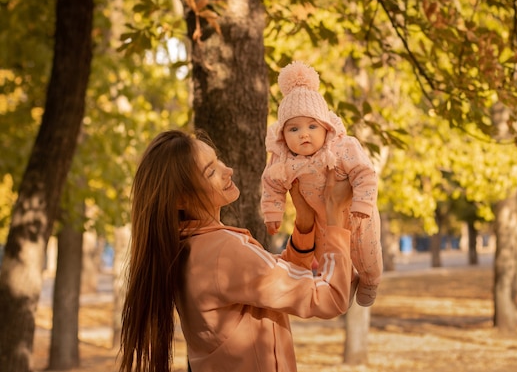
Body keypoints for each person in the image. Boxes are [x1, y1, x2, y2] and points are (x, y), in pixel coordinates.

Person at [118, 129, 356, 372]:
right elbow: (330, 298)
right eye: (210, 171)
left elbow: (285, 282)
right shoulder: (224, 252)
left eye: (217, 159)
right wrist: (335, 213)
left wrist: (304, 224)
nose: (227, 170)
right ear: (181, 200)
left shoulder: (192, 248)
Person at [261, 61, 383, 307]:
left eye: (312, 126)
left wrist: (362, 201)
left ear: (326, 127)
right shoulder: (283, 159)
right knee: (327, 255)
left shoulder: (342, 147)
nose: (304, 134)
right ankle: (344, 283)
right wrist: (273, 212)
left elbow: (365, 173)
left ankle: (370, 280)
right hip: (322, 221)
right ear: (283, 135)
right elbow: (271, 184)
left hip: (359, 217)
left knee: (367, 254)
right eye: (294, 129)